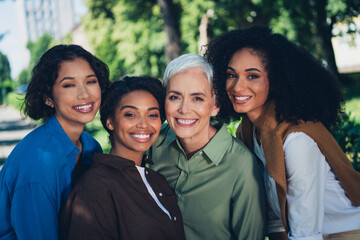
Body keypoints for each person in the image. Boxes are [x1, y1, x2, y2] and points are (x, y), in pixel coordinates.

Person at [205, 26, 360, 240]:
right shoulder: (248, 132)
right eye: (231, 75)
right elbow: (275, 216)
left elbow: (306, 233)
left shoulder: (297, 141)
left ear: (275, 82)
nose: (237, 87)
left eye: (252, 76)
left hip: (345, 233)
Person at [149, 53, 266, 240]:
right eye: (174, 97)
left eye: (197, 98)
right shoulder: (153, 143)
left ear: (216, 105)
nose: (184, 109)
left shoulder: (241, 164)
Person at [0, 44, 110, 240]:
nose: (85, 94)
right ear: (49, 98)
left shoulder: (91, 145)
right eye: (69, 85)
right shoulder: (38, 163)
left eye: (91, 81)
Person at [60, 76, 186, 240]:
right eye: (131, 114)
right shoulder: (95, 188)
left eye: (152, 115)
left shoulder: (157, 180)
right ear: (110, 121)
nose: (143, 124)